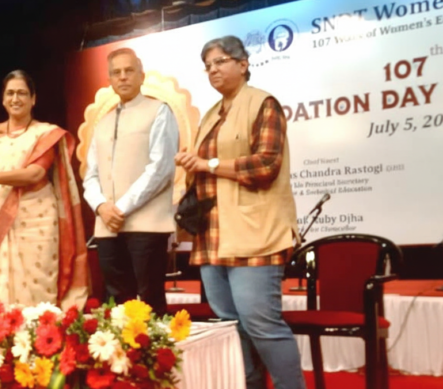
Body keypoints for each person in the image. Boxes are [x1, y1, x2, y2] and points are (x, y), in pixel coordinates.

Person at [175, 36, 304, 389]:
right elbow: (202, 169)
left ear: (243, 64)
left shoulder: (263, 103)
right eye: (208, 65)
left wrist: (209, 163)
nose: (213, 70)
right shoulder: (211, 113)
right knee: (231, 325)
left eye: (220, 62)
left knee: (262, 324)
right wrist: (191, 166)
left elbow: (266, 165)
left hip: (255, 233)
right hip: (213, 235)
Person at [0, 70, 88, 310]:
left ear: (33, 99)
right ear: (3, 99)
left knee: (37, 283)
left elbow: (35, 174)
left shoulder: (45, 133)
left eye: (22, 93)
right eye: (10, 93)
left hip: (35, 219)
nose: (16, 99)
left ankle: (40, 336)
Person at [82, 48, 179, 316]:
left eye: (129, 71)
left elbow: (160, 168)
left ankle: (155, 358)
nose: (123, 77)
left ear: (141, 75)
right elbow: (90, 175)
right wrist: (101, 206)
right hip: (107, 226)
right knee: (116, 304)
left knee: (149, 303)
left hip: (146, 224)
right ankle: (123, 359)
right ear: (110, 80)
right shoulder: (102, 123)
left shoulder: (159, 111)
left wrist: (120, 208)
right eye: (116, 72)